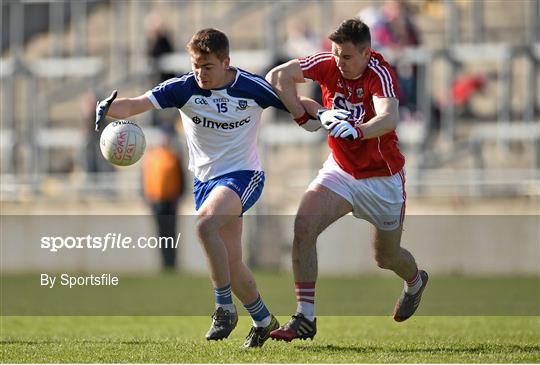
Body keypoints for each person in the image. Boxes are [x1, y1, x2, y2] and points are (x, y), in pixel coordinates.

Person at [94, 28, 310, 348]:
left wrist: (322, 114)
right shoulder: (183, 87)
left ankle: (224, 308)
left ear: (225, 62)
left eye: (207, 66)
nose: (200, 73)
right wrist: (106, 107)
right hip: (205, 181)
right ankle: (263, 320)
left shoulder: (250, 87)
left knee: (206, 225)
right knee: (232, 264)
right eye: (196, 65)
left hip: (243, 175)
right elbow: (135, 105)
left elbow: (294, 100)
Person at [266, 18, 428, 342]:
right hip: (340, 170)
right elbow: (277, 76)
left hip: (382, 179)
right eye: (336, 54)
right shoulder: (328, 63)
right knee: (303, 226)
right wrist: (303, 115)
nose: (339, 62)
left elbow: (389, 117)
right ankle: (305, 316)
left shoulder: (380, 72)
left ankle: (415, 281)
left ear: (367, 52)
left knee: (386, 257)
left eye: (347, 56)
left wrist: (359, 130)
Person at [142, 126, 185, 270]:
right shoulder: (151, 157)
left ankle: (172, 263)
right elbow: (144, 179)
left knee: (171, 232)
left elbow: (181, 178)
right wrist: (146, 198)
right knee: (160, 234)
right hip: (155, 201)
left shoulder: (173, 156)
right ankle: (164, 263)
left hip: (170, 201)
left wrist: (178, 197)